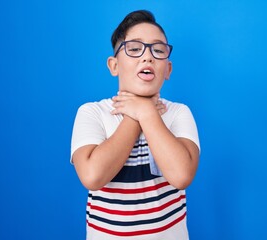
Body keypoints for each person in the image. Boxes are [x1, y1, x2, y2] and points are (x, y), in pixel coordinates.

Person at [70, 10, 200, 240]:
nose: (147, 57)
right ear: (114, 65)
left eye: (158, 50)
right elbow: (92, 176)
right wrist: (136, 115)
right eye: (134, 49)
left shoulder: (178, 113)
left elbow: (181, 176)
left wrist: (148, 115)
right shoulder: (92, 113)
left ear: (168, 69)